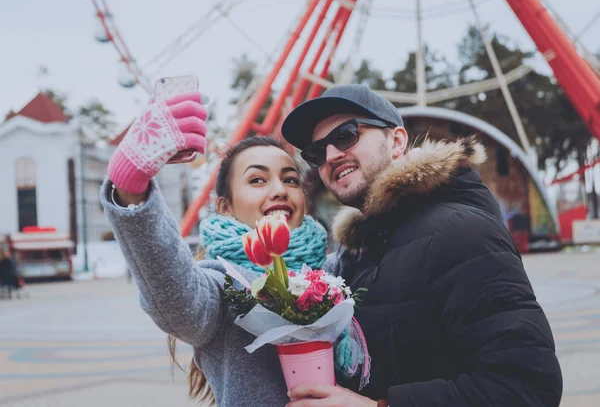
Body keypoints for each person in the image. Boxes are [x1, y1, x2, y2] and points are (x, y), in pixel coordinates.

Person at [280, 84, 562, 406]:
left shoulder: (460, 232)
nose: (330, 156)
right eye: (316, 152)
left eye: (346, 135)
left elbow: (527, 388)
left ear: (397, 141)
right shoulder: (358, 252)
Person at [101, 92, 342, 406]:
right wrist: (130, 188)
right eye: (257, 180)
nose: (280, 190)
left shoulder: (338, 270)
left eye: (291, 179)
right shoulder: (223, 286)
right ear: (225, 207)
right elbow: (177, 297)